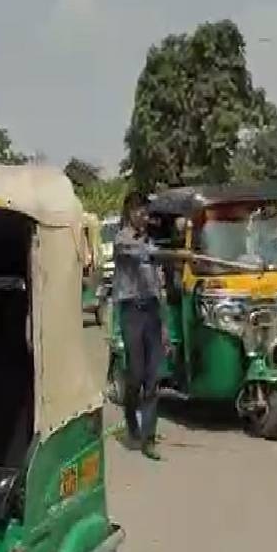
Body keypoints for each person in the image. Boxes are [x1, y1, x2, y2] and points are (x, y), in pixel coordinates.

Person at [112, 194, 187, 460]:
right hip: (131, 311)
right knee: (136, 374)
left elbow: (158, 288)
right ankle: (131, 418)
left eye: (146, 212)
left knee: (153, 379)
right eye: (139, 212)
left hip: (152, 312)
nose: (144, 217)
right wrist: (174, 253)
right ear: (129, 212)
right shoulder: (122, 241)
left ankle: (148, 438)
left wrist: (164, 325)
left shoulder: (151, 243)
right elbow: (142, 254)